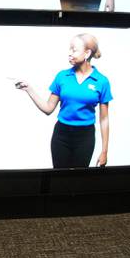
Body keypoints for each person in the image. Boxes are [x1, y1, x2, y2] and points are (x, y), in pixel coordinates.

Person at [15, 33, 112, 168]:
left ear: (87, 53)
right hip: (62, 135)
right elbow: (48, 108)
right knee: (59, 180)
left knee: (78, 181)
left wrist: (104, 151)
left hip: (85, 137)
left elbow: (104, 119)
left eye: (74, 49)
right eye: (69, 49)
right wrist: (28, 89)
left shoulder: (102, 81)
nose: (69, 53)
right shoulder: (62, 76)